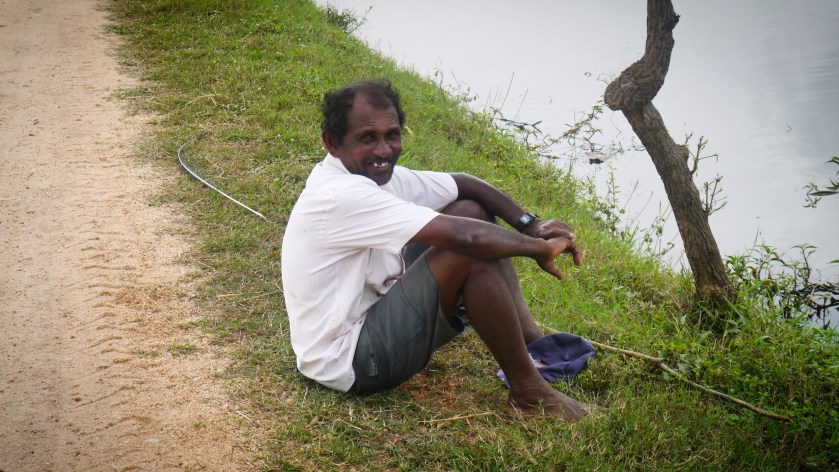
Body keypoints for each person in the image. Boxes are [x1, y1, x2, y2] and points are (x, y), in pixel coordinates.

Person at [281, 79, 588, 419]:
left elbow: (464, 184)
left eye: (392, 135)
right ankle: (529, 393)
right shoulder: (341, 195)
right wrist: (538, 248)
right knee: (467, 250)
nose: (383, 150)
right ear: (332, 143)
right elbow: (465, 238)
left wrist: (530, 224)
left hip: (372, 311)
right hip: (349, 360)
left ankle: (534, 347)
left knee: (471, 210)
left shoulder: (372, 175)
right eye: (367, 138)